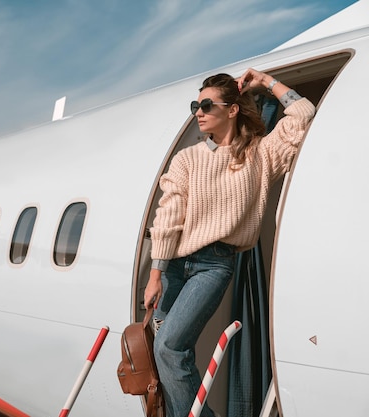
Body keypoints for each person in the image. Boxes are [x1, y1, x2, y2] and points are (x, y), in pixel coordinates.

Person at [143, 68, 316, 417]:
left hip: (214, 266)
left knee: (169, 347)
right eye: (196, 104)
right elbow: (168, 216)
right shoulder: (188, 159)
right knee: (164, 353)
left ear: (233, 109)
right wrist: (156, 273)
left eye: (207, 104)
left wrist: (264, 81)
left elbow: (303, 113)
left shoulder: (261, 156)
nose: (199, 112)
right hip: (174, 265)